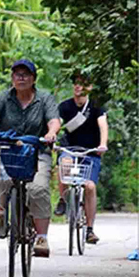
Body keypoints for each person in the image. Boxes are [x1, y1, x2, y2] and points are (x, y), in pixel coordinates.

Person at [0, 59, 60, 257]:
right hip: (8, 151)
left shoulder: (44, 98)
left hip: (36, 150)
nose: (21, 78)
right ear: (12, 78)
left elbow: (54, 120)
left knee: (38, 188)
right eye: (17, 74)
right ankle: (2, 212)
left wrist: (51, 133)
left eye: (26, 74)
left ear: (33, 79)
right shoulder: (4, 97)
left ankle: (41, 237)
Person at [53, 74, 108, 244]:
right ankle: (63, 199)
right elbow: (57, 122)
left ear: (90, 88)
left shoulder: (96, 107)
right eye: (76, 84)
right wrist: (52, 135)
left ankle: (90, 230)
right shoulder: (65, 106)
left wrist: (103, 144)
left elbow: (103, 125)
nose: (78, 87)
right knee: (64, 163)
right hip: (69, 149)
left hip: (90, 153)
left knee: (90, 186)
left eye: (83, 84)